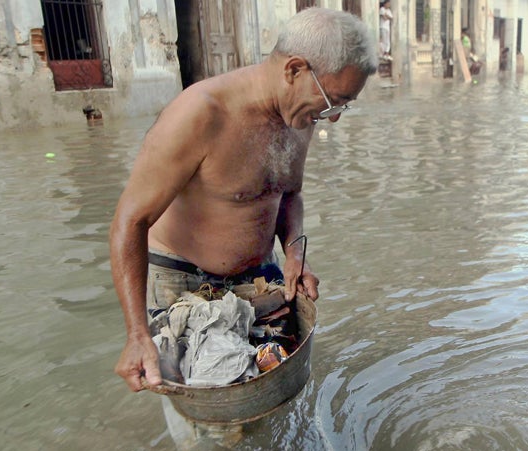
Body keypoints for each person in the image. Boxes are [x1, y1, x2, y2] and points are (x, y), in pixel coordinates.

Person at [109, 8, 377, 398]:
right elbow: (129, 221)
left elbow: (290, 192)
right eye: (333, 101)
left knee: (275, 386)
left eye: (343, 106)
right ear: (294, 69)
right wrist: (135, 334)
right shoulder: (200, 113)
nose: (332, 118)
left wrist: (294, 252)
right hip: (183, 280)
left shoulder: (301, 116)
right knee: (206, 412)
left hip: (258, 276)